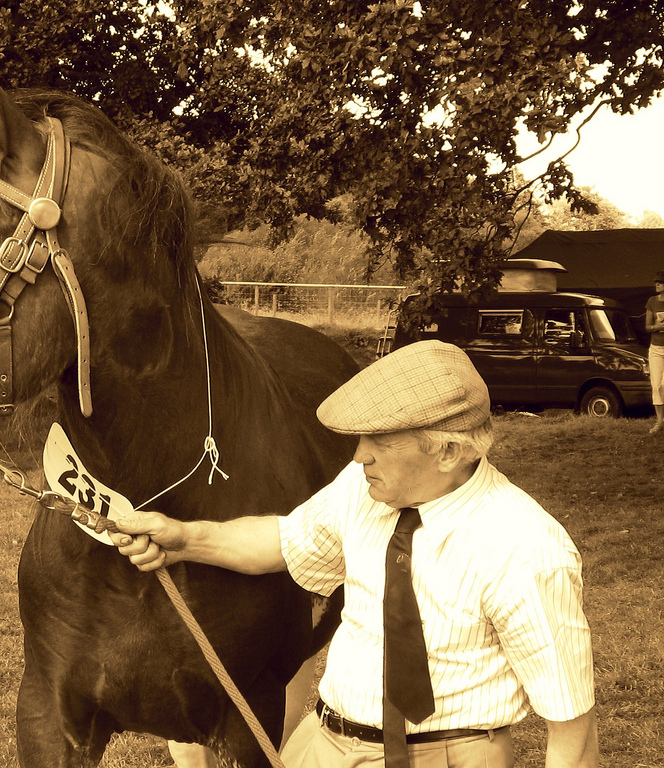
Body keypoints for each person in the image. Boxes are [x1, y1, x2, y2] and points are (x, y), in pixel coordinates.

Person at [111, 340, 598, 768]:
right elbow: (285, 540)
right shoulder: (361, 489)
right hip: (324, 742)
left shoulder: (527, 548)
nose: (358, 455)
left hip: (444, 757)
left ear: (448, 452)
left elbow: (572, 732)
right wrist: (184, 539)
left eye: (379, 441)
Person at [645, 271, 664, 434]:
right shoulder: (651, 301)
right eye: (656, 282)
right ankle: (659, 422)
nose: (657, 284)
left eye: (660, 282)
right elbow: (647, 326)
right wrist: (657, 327)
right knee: (656, 385)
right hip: (656, 349)